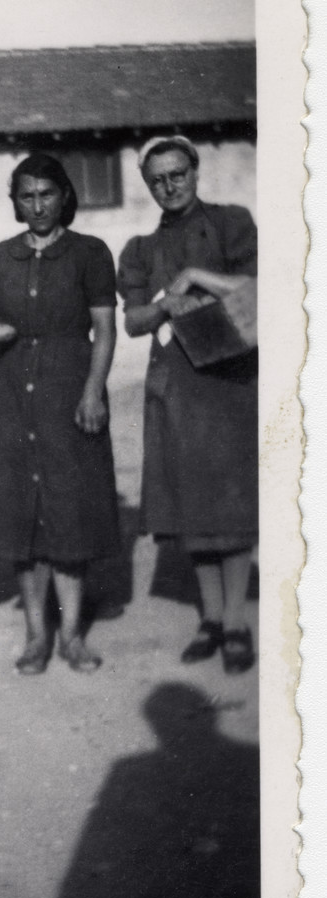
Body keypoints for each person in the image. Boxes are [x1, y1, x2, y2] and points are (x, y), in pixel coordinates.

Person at [0, 152, 120, 674]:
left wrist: (94, 392)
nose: (37, 205)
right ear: (15, 201)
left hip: (67, 392)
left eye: (47, 194)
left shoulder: (90, 253)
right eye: (27, 196)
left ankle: (72, 637)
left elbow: (104, 329)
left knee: (70, 513)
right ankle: (37, 636)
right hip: (10, 395)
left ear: (64, 197)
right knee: (21, 518)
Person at [117, 135, 258, 674]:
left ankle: (238, 623)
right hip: (175, 385)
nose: (169, 186)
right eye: (157, 179)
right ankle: (212, 618)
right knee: (190, 502)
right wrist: (165, 304)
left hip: (229, 381)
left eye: (178, 174)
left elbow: (257, 286)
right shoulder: (139, 250)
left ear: (195, 171)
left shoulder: (231, 223)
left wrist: (197, 276)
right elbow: (132, 320)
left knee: (234, 500)